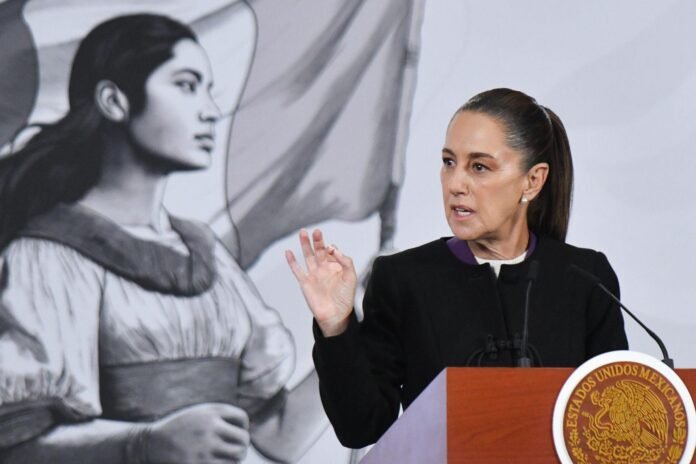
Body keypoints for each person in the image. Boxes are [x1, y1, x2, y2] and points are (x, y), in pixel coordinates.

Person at [0, 14, 326, 464]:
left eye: (208, 89)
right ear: (114, 101)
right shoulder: (49, 257)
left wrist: (362, 328)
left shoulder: (207, 256)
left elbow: (278, 436)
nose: (210, 110)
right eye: (186, 86)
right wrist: (144, 443)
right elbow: (15, 446)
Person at [286, 88, 629, 448]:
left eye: (479, 167)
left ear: (533, 180)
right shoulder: (403, 279)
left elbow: (617, 423)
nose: (455, 184)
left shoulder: (585, 278)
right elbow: (362, 428)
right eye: (449, 162)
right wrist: (336, 325)